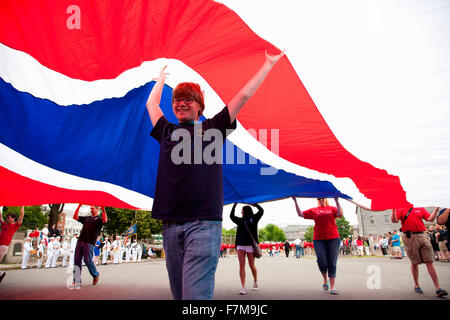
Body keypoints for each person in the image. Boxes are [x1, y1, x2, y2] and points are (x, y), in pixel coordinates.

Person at [146, 49, 284, 300]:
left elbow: (242, 97)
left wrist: (267, 64)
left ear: (199, 107)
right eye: (177, 99)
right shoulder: (166, 130)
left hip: (203, 225)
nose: (181, 103)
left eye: (188, 99)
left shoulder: (213, 128)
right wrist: (161, 80)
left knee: (194, 299)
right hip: (170, 226)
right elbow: (151, 104)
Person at [391, 207, 448, 297]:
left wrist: (436, 210)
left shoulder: (420, 208)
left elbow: (430, 219)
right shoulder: (400, 208)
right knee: (414, 262)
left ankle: (438, 288)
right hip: (410, 237)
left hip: (423, 235)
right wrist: (393, 210)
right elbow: (394, 220)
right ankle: (416, 285)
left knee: (429, 261)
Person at [292, 197, 343, 295]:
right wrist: (295, 201)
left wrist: (337, 200)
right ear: (317, 200)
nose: (321, 199)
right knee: (322, 261)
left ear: (325, 199)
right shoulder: (314, 210)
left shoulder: (332, 208)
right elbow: (300, 214)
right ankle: (325, 280)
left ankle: (333, 287)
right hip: (319, 239)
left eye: (322, 198)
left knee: (332, 262)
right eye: (319, 198)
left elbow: (340, 214)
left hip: (333, 238)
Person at [230, 203, 264, 295]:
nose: (241, 211)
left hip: (250, 246)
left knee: (251, 265)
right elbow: (231, 216)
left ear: (245, 211)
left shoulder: (254, 219)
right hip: (240, 245)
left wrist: (255, 204)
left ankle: (255, 281)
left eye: (242, 210)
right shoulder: (240, 220)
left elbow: (261, 211)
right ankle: (243, 287)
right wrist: (234, 205)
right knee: (241, 265)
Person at [72, 204, 107, 288]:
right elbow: (75, 217)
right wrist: (79, 206)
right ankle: (76, 280)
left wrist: (103, 209)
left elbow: (105, 220)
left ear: (97, 210)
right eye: (90, 208)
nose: (91, 210)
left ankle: (95, 274)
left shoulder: (99, 219)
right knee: (77, 260)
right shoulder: (87, 218)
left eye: (93, 208)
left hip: (89, 242)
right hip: (80, 241)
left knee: (87, 260)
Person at [0, 206, 24, 283]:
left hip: (3, 246)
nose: (7, 219)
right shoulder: (4, 224)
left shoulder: (14, 226)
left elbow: (21, 216)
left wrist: (22, 206)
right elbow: (0, 217)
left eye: (9, 218)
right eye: (6, 217)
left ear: (13, 219)